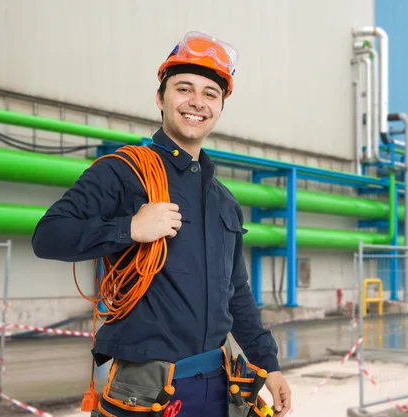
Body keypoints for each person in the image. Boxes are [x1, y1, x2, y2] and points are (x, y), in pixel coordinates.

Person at [32, 31, 291, 417]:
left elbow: (236, 293)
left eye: (210, 94)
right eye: (184, 88)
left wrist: (268, 365)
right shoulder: (124, 172)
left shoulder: (224, 201)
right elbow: (48, 235)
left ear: (220, 107)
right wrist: (129, 228)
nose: (196, 103)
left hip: (220, 387)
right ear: (160, 97)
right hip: (147, 390)